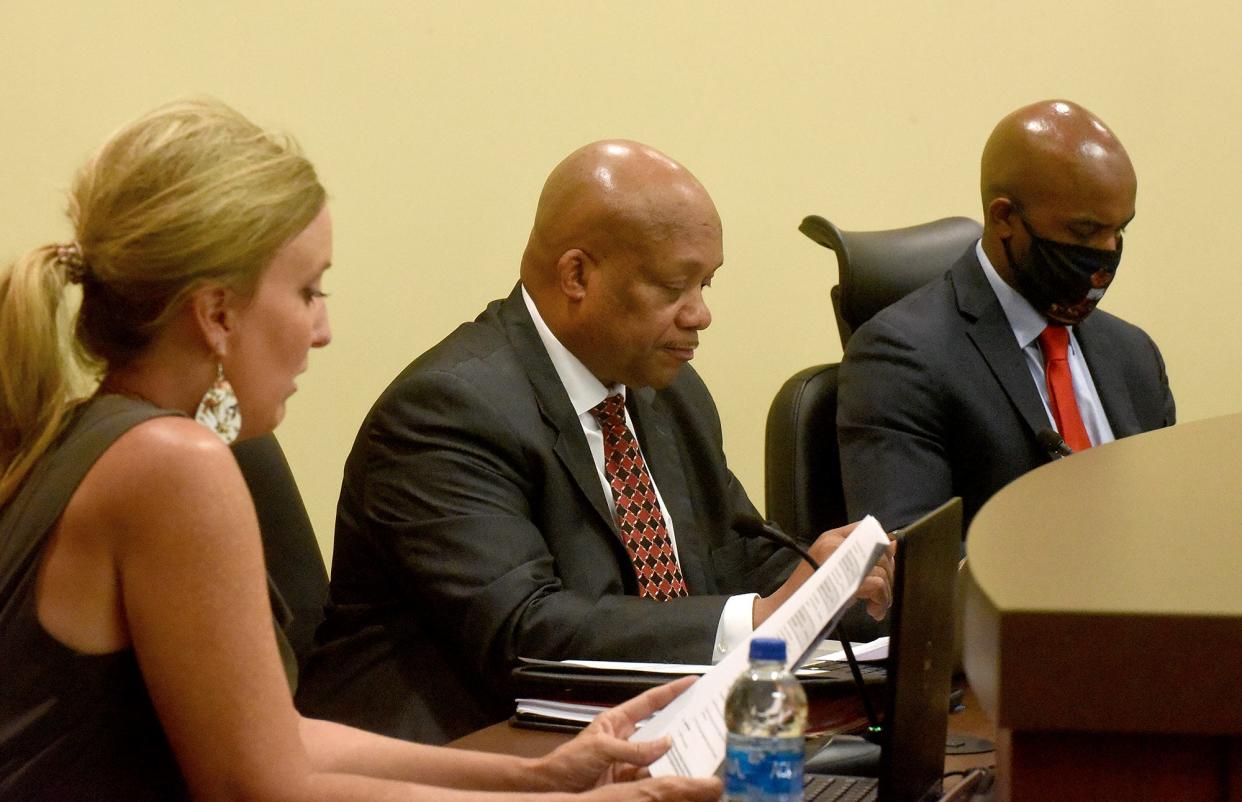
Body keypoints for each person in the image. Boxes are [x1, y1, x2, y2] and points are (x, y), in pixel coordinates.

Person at [0, 100, 721, 801]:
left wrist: (537, 775)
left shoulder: (99, 435)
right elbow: (259, 786)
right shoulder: (174, 464)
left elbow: (284, 737)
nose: (323, 330)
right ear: (217, 314)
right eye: (310, 290)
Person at [297, 140, 894, 744]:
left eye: (707, 284)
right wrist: (764, 616)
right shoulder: (447, 412)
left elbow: (730, 556)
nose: (701, 315)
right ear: (577, 274)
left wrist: (828, 578)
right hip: (456, 749)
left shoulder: (668, 392)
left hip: (634, 740)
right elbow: (524, 632)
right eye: (674, 287)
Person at [837, 99, 1176, 541]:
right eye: (1084, 232)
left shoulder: (1135, 357)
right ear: (1005, 219)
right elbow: (916, 568)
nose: (1107, 252)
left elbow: (1170, 523)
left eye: (1121, 231)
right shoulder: (899, 359)